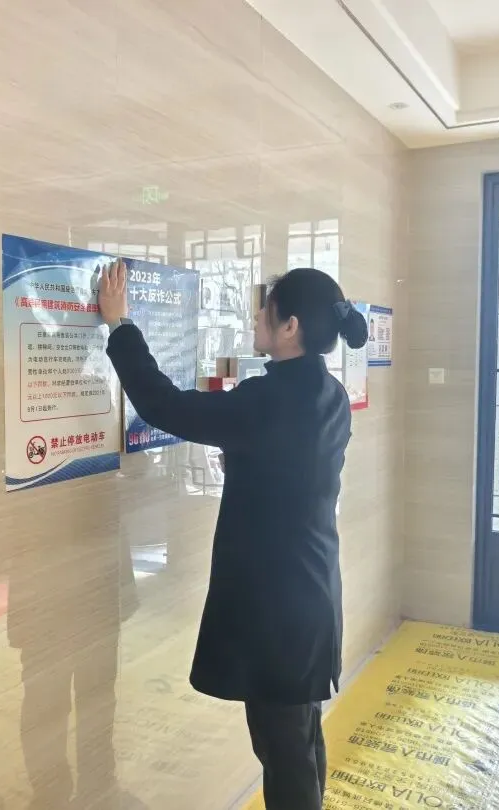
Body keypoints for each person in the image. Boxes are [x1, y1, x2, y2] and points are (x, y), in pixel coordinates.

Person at [98, 261, 367, 810]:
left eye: (265, 310)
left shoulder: (266, 400)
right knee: (300, 740)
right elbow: (299, 469)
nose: (256, 318)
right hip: (311, 594)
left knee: (284, 749)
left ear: (289, 327)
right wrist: (247, 462)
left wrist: (119, 325)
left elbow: (164, 405)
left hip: (278, 607)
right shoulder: (330, 394)